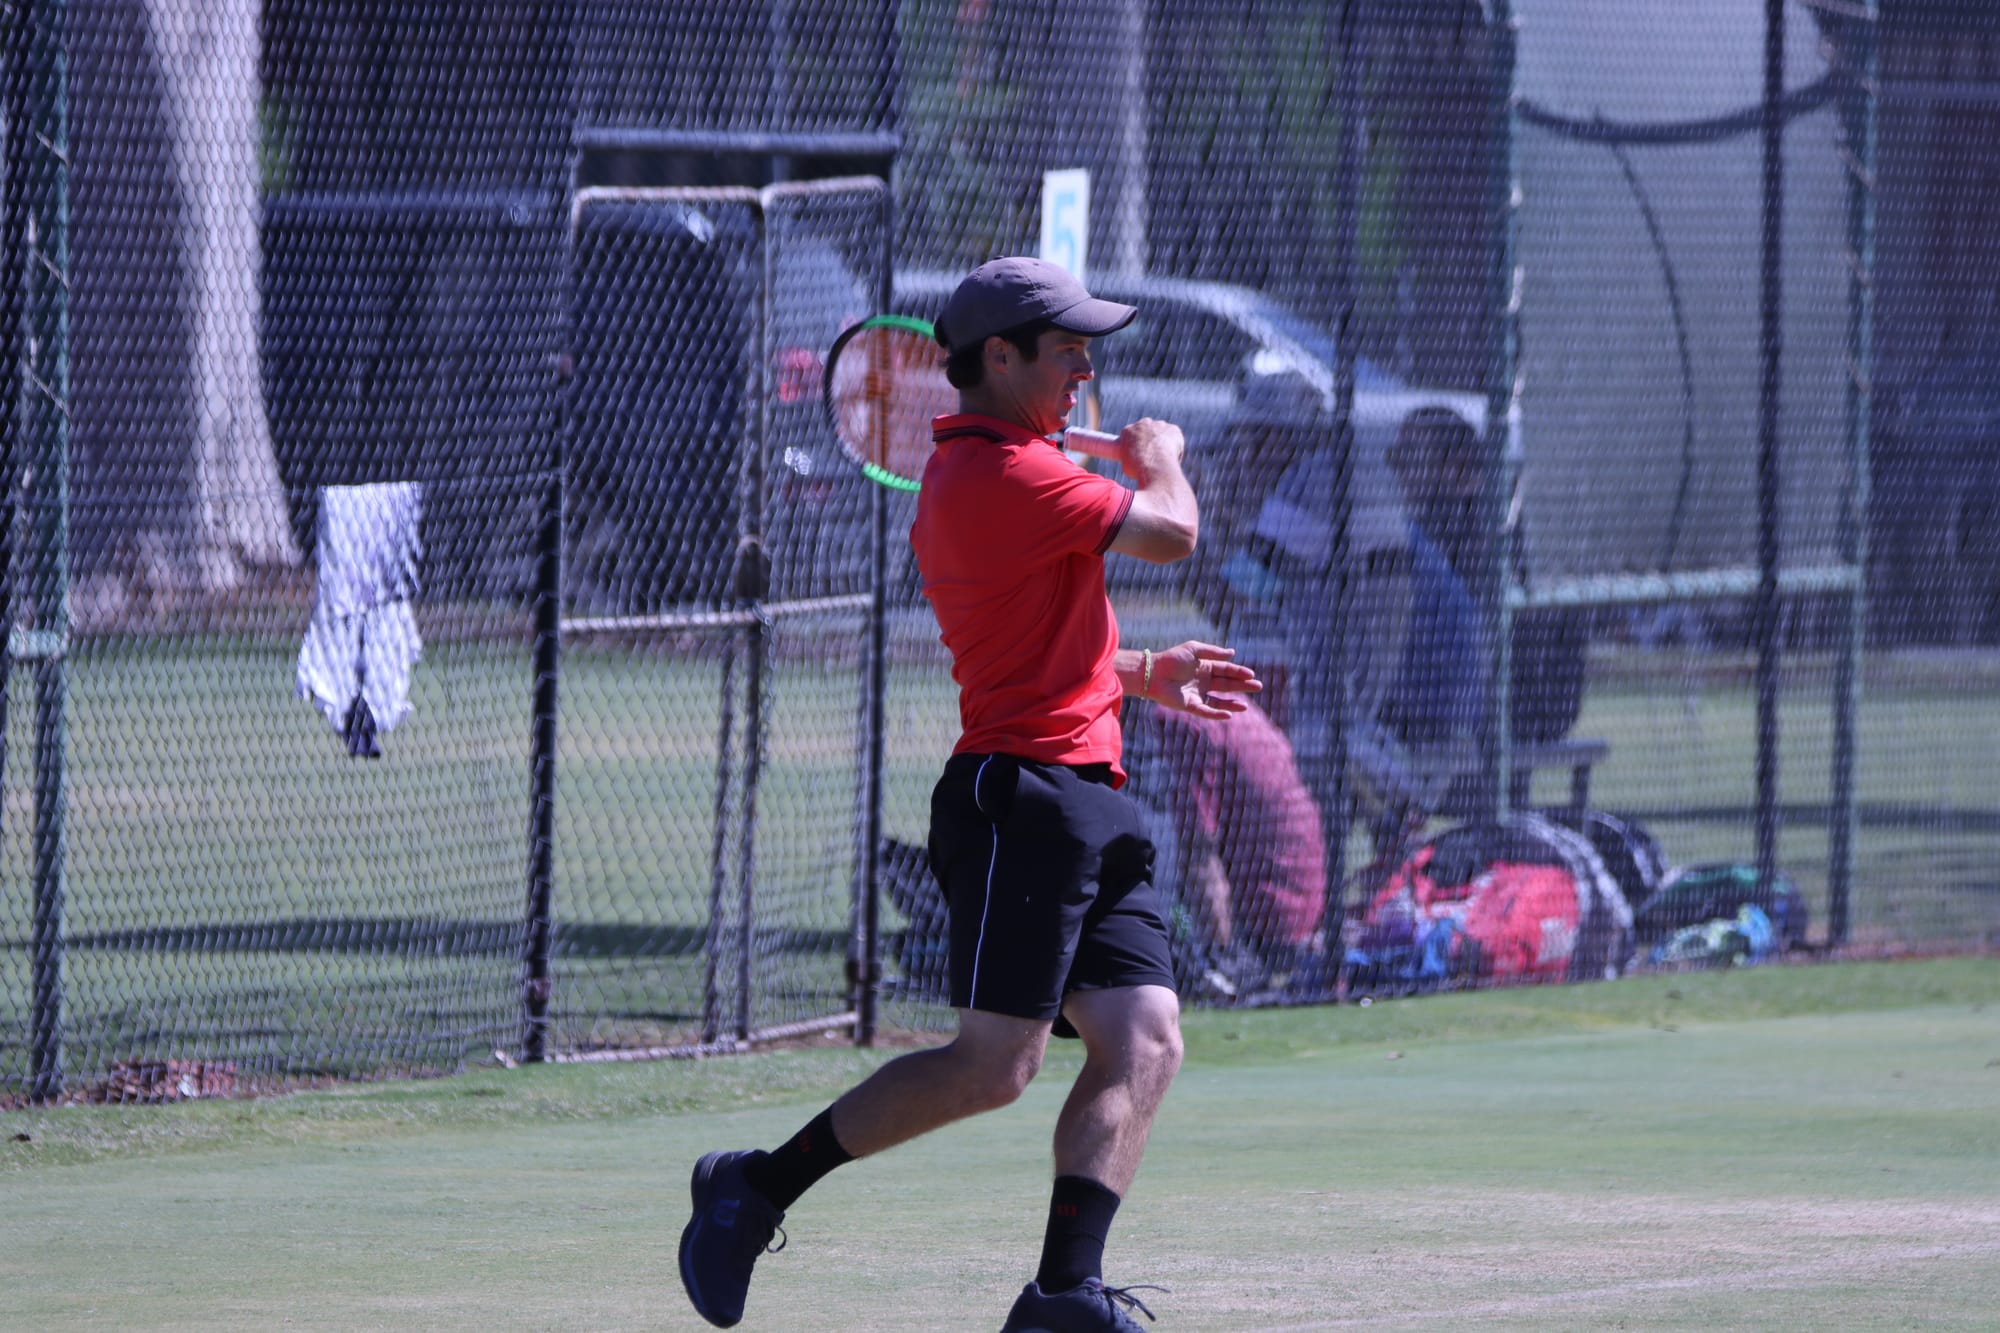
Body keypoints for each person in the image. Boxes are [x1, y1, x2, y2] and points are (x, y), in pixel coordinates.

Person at [676, 256, 1262, 1332]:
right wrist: (1160, 456)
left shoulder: (1015, 464)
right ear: (999, 357)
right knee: (995, 1067)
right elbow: (1172, 531)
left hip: (1090, 787)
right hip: (1022, 801)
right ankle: (750, 1190)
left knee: (1144, 1040)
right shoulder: (1002, 475)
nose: (1086, 368)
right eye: (1068, 348)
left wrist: (1144, 672)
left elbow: (1035, 644)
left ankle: (1060, 1296)